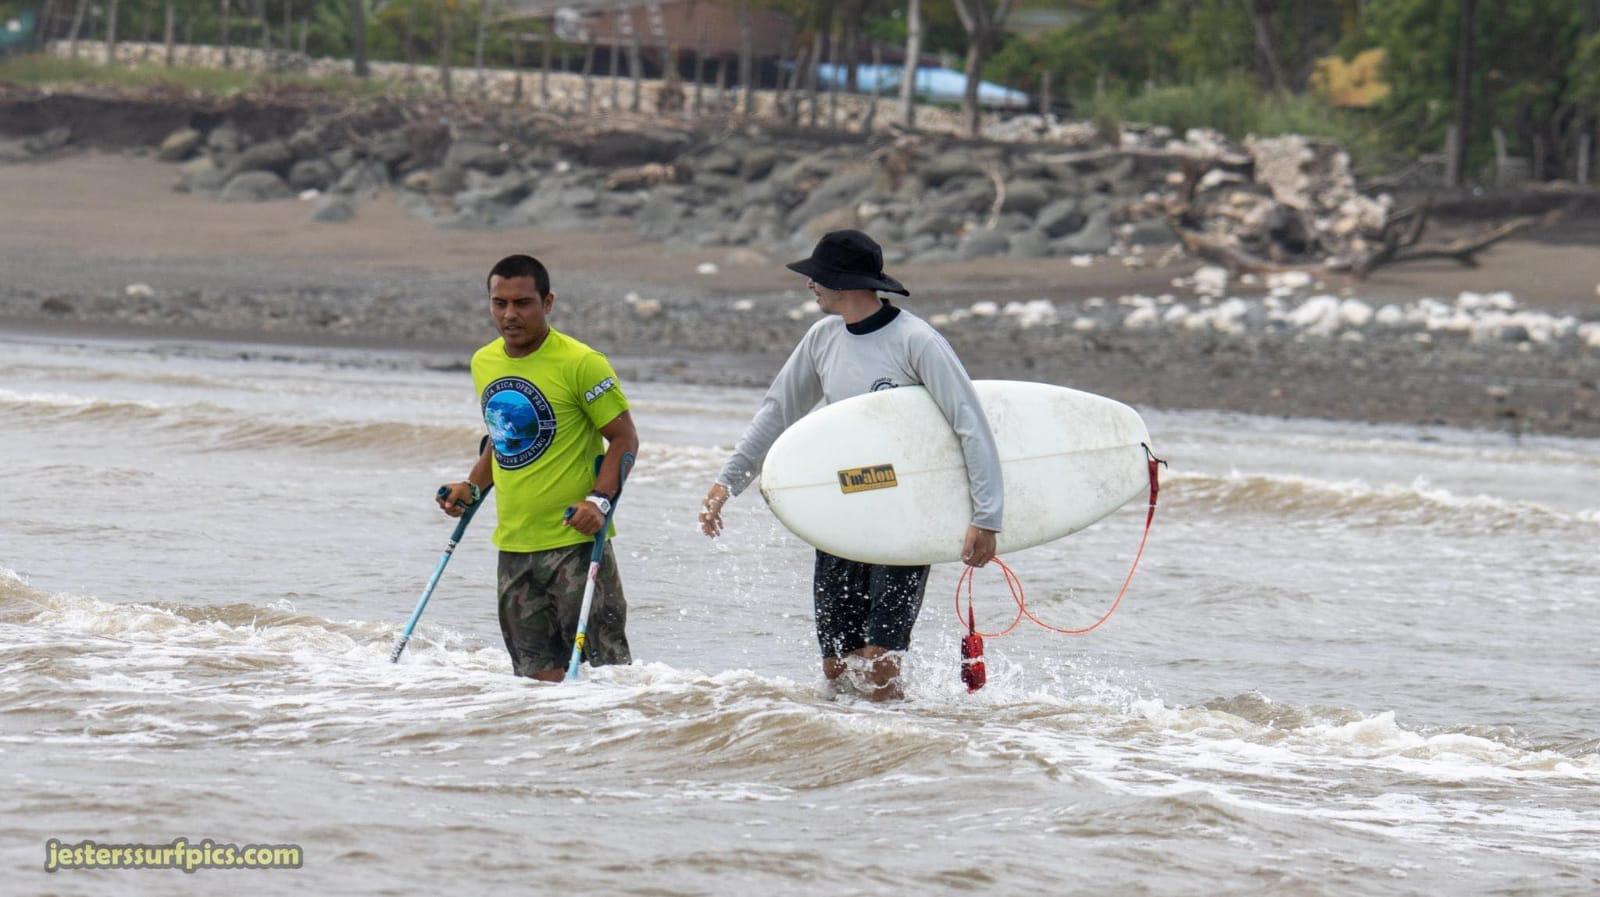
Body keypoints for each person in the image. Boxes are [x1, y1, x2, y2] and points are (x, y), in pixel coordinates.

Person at [698, 230, 1002, 701]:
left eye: (817, 277)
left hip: (904, 517)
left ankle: (892, 751)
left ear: (844, 283)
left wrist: (986, 517)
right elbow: (778, 412)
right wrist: (726, 484)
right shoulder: (822, 339)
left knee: (880, 661)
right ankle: (850, 758)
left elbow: (970, 425)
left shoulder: (917, 341)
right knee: (836, 664)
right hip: (844, 510)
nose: (810, 286)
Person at [438, 254, 640, 682]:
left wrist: (599, 502)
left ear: (547, 302)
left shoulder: (582, 363)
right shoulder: (484, 362)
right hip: (514, 547)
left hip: (576, 544)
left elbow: (624, 439)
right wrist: (469, 487)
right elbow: (504, 438)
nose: (510, 314)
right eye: (500, 303)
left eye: (523, 303)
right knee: (533, 684)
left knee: (607, 679)